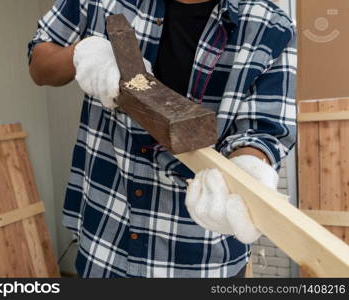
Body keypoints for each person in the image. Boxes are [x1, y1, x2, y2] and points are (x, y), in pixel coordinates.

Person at [28, 0, 297, 278]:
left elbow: (262, 133)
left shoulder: (270, 26)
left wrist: (248, 171)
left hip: (201, 258)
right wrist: (81, 53)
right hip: (105, 241)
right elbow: (39, 60)